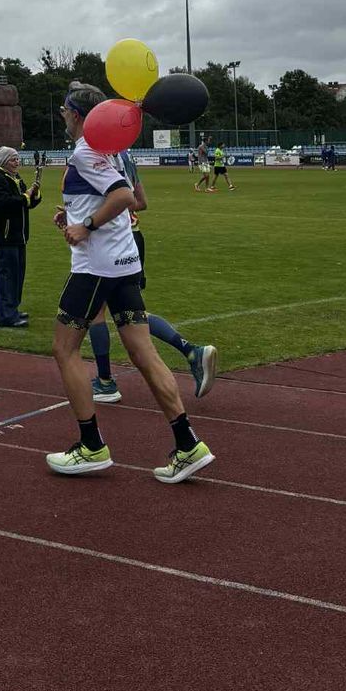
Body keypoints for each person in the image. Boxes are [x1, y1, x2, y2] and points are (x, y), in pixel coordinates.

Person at [45, 82, 214, 484]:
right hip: (122, 263)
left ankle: (91, 446)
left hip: (96, 268)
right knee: (143, 352)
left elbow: (122, 196)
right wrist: (74, 218)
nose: (62, 116)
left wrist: (85, 226)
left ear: (81, 116)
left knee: (64, 349)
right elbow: (121, 198)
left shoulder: (87, 150)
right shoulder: (110, 150)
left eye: (66, 110)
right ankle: (188, 444)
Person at [87, 148, 217, 404]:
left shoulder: (95, 154)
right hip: (132, 239)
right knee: (132, 313)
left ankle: (105, 382)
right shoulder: (125, 156)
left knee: (96, 312)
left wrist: (91, 219)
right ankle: (191, 351)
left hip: (109, 244)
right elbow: (141, 202)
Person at [0, 146, 41, 328]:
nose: (17, 162)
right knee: (7, 275)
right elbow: (5, 203)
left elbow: (24, 202)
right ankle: (6, 314)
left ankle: (13, 309)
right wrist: (25, 196)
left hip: (19, 234)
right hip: (6, 235)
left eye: (18, 159)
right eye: (13, 159)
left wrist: (33, 195)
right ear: (4, 161)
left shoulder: (14, 177)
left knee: (18, 274)